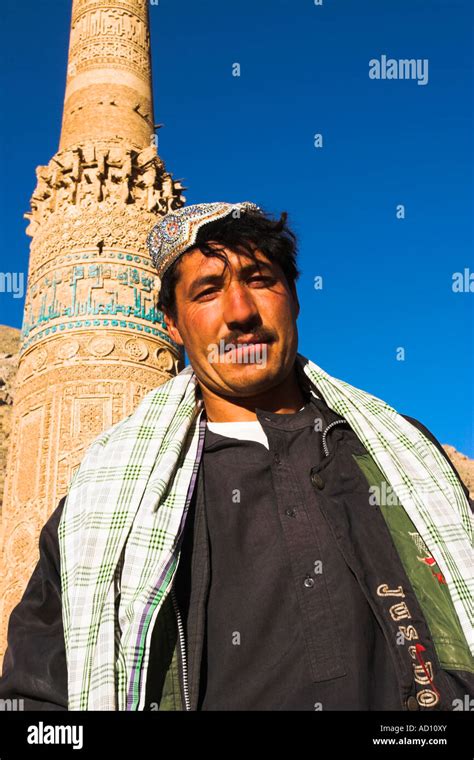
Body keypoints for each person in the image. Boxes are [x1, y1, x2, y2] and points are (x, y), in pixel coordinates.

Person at [1, 201, 473, 712]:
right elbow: (38, 698)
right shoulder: (102, 506)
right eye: (207, 291)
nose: (241, 313)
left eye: (260, 280)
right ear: (174, 326)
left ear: (294, 298)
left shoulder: (393, 454)